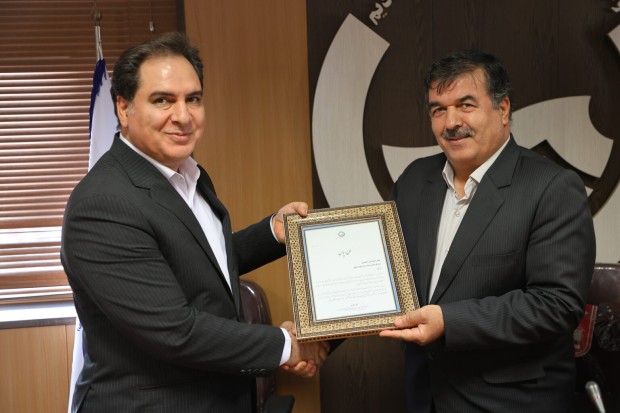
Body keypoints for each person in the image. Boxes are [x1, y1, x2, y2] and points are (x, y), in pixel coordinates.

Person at [61, 32, 328, 413]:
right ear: (123, 108)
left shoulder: (188, 174)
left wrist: (272, 232)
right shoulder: (103, 203)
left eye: (194, 99)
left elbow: (195, 262)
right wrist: (287, 345)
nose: (183, 116)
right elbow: (175, 331)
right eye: (162, 100)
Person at [379, 50, 596, 412]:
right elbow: (382, 276)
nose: (451, 122)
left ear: (503, 108)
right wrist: (320, 335)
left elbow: (557, 304)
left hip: (509, 402)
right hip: (426, 396)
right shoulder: (415, 179)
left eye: (466, 105)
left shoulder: (551, 187)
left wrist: (448, 321)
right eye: (438, 109)